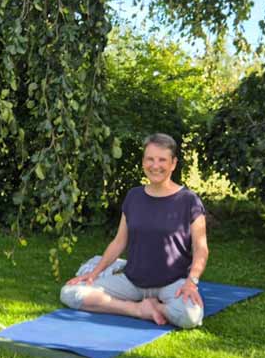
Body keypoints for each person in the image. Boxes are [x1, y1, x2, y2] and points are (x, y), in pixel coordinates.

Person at [61, 133, 208, 328]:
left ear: (173, 163)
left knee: (191, 316)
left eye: (162, 160)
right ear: (143, 162)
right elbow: (119, 242)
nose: (155, 165)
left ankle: (158, 307)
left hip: (172, 284)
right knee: (70, 293)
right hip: (132, 282)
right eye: (150, 159)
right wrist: (94, 273)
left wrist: (191, 282)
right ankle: (138, 310)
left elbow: (201, 248)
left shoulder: (189, 200)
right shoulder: (134, 196)